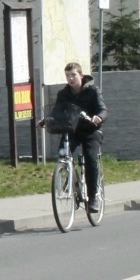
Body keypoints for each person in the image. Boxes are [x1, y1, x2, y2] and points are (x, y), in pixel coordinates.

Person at [39, 62, 105, 207]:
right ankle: (71, 180)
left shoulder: (93, 90)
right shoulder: (63, 94)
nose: (70, 79)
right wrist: (46, 120)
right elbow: (56, 113)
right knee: (63, 153)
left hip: (90, 131)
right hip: (72, 131)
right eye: (68, 76)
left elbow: (102, 109)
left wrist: (98, 117)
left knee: (90, 159)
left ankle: (93, 197)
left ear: (81, 75)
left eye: (73, 75)